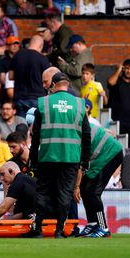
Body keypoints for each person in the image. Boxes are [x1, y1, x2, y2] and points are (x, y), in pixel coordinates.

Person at [26, 72, 91, 238]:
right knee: (65, 194)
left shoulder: (44, 103)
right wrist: (85, 160)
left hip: (48, 156)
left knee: (42, 192)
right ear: (67, 85)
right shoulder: (79, 104)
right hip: (71, 157)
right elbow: (86, 134)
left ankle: (38, 229)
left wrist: (33, 159)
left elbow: (36, 135)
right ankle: (60, 231)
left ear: (53, 85)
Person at [74, 123, 123, 238]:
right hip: (102, 155)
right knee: (85, 188)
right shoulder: (73, 127)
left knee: (93, 192)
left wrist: (76, 187)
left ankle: (103, 227)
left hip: (111, 154)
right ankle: (93, 223)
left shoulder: (73, 135)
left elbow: (80, 165)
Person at [8, 35, 50, 116]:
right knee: (36, 126)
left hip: (19, 97)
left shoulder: (17, 55)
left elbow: (10, 76)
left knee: (22, 125)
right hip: (37, 97)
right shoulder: (42, 58)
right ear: (41, 46)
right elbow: (47, 79)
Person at [108, 58, 130, 146]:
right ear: (124, 69)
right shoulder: (117, 81)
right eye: (127, 68)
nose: (129, 71)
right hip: (118, 121)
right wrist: (119, 69)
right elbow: (110, 82)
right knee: (118, 146)